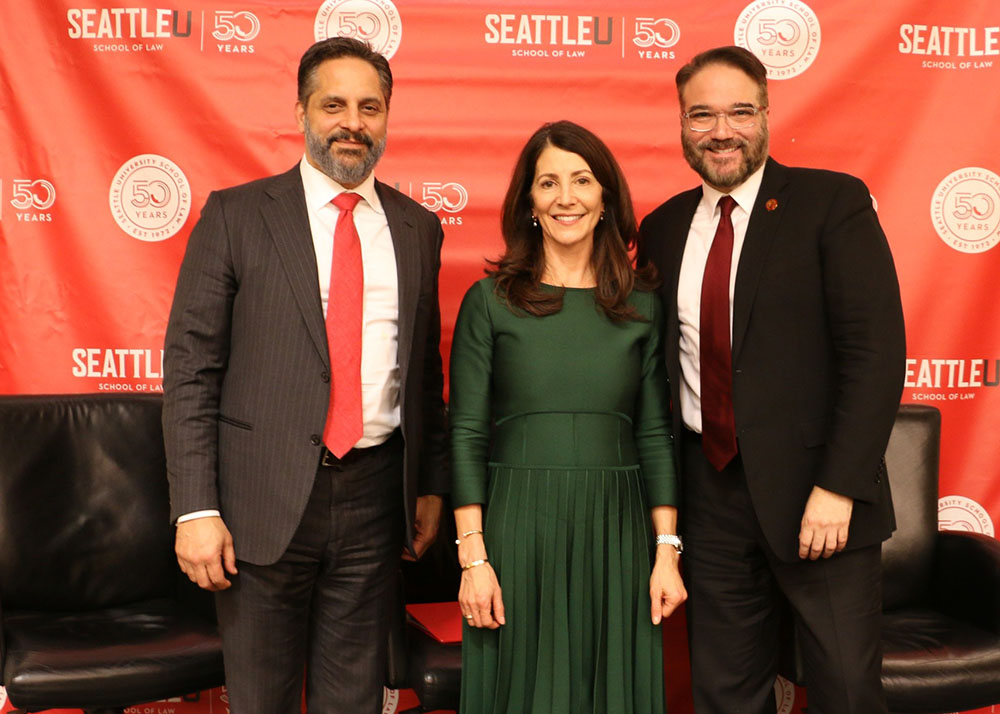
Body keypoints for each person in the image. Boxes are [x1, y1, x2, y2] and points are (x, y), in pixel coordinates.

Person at [161, 37, 449, 714]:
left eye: (369, 106)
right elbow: (192, 368)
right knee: (260, 699)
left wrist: (431, 488)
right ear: (301, 111)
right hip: (258, 503)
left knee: (352, 699)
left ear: (387, 116)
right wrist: (196, 508)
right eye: (334, 104)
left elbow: (425, 371)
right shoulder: (236, 216)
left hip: (376, 498)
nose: (353, 121)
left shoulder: (418, 228)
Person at [638, 46, 906, 714]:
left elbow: (875, 355)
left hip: (821, 500)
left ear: (766, 114)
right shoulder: (663, 228)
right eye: (702, 114)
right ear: (680, 122)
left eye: (738, 112)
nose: (720, 131)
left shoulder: (831, 202)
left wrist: (840, 486)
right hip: (709, 492)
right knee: (725, 691)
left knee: (845, 691)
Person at [449, 120, 686, 714]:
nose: (566, 197)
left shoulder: (642, 304)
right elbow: (467, 433)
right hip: (516, 532)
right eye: (548, 182)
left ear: (606, 197)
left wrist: (665, 551)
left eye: (582, 180)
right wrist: (473, 559)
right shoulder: (489, 302)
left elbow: (656, 433)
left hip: (619, 533)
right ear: (528, 201)